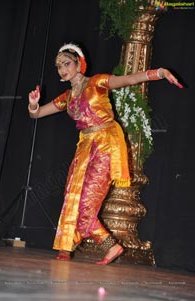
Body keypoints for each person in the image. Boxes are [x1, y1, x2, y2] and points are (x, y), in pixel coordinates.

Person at [28, 42, 183, 265]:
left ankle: (107, 246)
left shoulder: (96, 82)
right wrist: (33, 105)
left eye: (66, 63)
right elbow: (37, 114)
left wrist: (158, 73)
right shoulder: (67, 97)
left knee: (87, 205)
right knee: (72, 197)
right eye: (58, 65)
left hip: (105, 144)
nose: (62, 68)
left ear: (79, 64)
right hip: (84, 148)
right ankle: (69, 246)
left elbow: (128, 79)